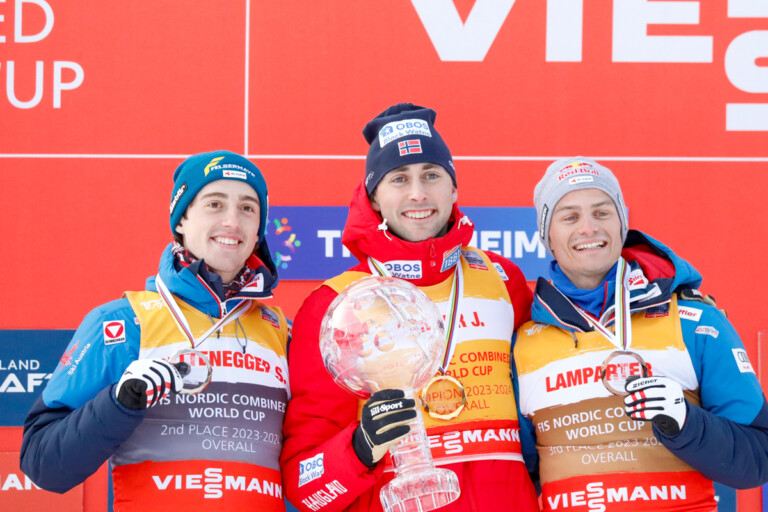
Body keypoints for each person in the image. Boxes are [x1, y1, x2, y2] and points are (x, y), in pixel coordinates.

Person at [280, 103, 539, 512]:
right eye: (399, 179)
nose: (418, 193)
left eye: (431, 176)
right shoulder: (335, 304)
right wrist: (361, 447)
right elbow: (305, 489)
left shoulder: (502, 278)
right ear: (374, 198)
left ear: (453, 189)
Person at [20, 150, 290, 511]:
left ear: (258, 229)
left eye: (247, 208)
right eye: (214, 204)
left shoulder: (284, 333)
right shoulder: (123, 322)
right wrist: (119, 403)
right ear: (181, 220)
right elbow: (44, 465)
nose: (232, 221)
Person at [513, 157, 768, 511]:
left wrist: (684, 422)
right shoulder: (523, 342)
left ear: (622, 223)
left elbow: (757, 461)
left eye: (602, 212)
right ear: (547, 237)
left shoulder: (695, 321)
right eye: (569, 216)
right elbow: (515, 476)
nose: (588, 228)